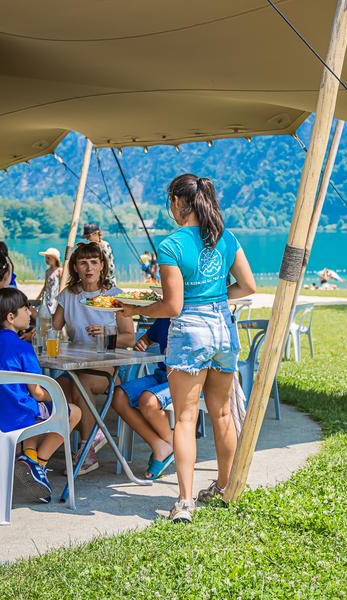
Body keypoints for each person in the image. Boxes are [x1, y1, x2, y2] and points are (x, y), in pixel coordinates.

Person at [118, 174, 256, 523]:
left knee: (184, 418)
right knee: (222, 414)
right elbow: (248, 286)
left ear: (178, 202)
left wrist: (134, 311)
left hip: (190, 332)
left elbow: (173, 306)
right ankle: (226, 487)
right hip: (223, 328)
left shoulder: (172, 245)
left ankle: (184, 502)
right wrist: (216, 297)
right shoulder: (225, 237)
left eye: (170, 202)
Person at [0, 288, 82, 502]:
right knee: (73, 412)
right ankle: (38, 463)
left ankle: (30, 459)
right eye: (25, 308)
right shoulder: (22, 348)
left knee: (30, 405)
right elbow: (38, 393)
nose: (30, 312)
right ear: (10, 317)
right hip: (14, 418)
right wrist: (57, 395)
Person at [52, 242, 134, 475]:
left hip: (108, 367)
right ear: (75, 267)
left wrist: (108, 335)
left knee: (81, 384)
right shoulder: (68, 295)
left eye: (94, 262)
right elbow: (52, 328)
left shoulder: (115, 296)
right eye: (83, 263)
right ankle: (91, 436)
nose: (89, 268)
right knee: (55, 389)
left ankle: (87, 450)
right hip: (75, 365)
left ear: (102, 266)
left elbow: (129, 338)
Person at [112, 318, 174, 480]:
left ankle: (170, 444)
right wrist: (143, 343)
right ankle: (163, 445)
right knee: (119, 396)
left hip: (184, 381)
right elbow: (147, 338)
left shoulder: (192, 319)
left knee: (148, 401)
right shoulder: (164, 319)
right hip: (162, 376)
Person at [36, 247, 62, 315]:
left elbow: (62, 287)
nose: (46, 260)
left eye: (48, 258)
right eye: (46, 258)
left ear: (55, 259)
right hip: (48, 299)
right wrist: (38, 297)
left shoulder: (59, 271)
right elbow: (45, 286)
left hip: (56, 299)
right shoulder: (47, 271)